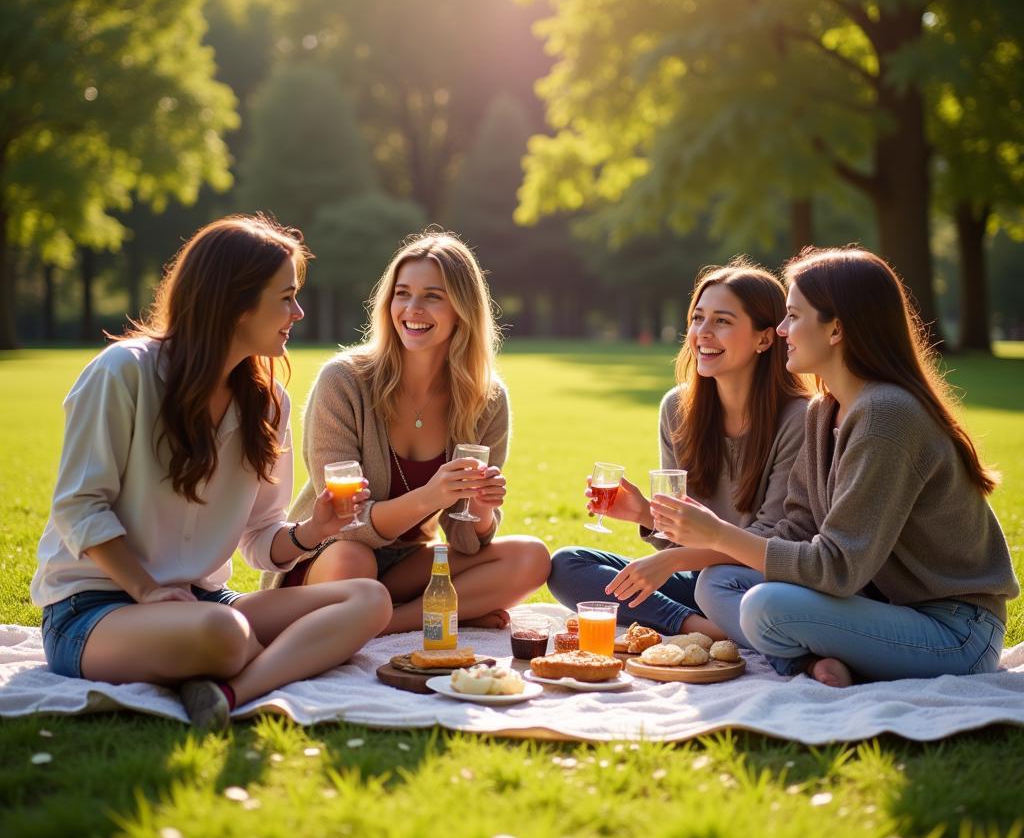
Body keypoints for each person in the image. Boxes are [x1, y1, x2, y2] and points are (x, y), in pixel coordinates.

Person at [32, 216, 392, 730]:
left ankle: (228, 691)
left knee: (368, 598)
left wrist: (316, 529)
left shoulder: (268, 405)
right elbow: (78, 507)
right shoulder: (123, 373)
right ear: (234, 302)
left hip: (201, 602)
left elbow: (260, 539)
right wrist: (148, 590)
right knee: (225, 633)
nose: (299, 311)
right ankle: (274, 658)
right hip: (93, 609)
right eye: (285, 297)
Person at [654, 246, 1019, 686]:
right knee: (715, 582)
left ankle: (809, 658)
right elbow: (796, 530)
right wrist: (702, 544)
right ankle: (822, 660)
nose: (783, 330)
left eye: (793, 316)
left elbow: (838, 569)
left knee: (763, 606)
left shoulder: (888, 414)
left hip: (956, 630)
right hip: (885, 608)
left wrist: (717, 533)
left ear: (836, 330)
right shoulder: (823, 411)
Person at [262, 229, 550, 630]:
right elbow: (347, 520)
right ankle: (444, 612)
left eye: (433, 296)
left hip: (405, 568)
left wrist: (481, 509)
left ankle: (388, 623)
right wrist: (429, 496)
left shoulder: (487, 399)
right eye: (402, 293)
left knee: (531, 557)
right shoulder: (343, 381)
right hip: (331, 559)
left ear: (463, 309)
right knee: (355, 561)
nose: (412, 309)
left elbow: (467, 542)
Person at [548, 259, 810, 638]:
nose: (703, 333)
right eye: (698, 319)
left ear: (765, 338)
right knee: (567, 565)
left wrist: (675, 560)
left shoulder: (798, 418)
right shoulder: (677, 408)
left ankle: (727, 626)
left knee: (712, 584)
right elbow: (682, 531)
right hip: (697, 579)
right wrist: (644, 513)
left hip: (759, 587)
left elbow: (774, 544)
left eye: (722, 321)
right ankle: (702, 628)